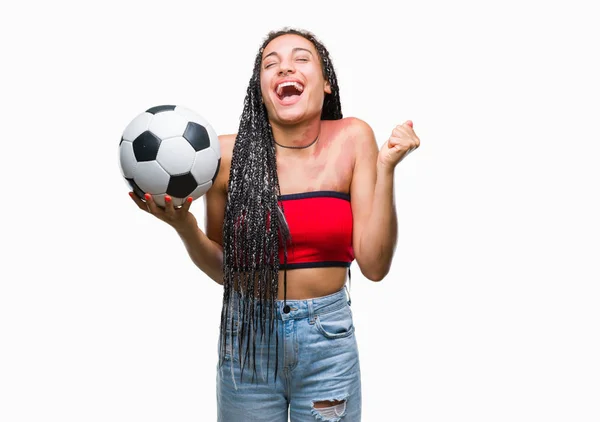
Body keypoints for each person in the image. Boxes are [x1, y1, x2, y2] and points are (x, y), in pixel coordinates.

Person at [129, 27, 419, 422]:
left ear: (326, 83)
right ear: (260, 88)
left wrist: (386, 168)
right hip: (247, 341)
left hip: (327, 339)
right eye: (271, 63)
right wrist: (185, 228)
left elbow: (374, 266)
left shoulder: (353, 138)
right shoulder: (224, 156)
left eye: (301, 59)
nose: (285, 67)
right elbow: (226, 271)